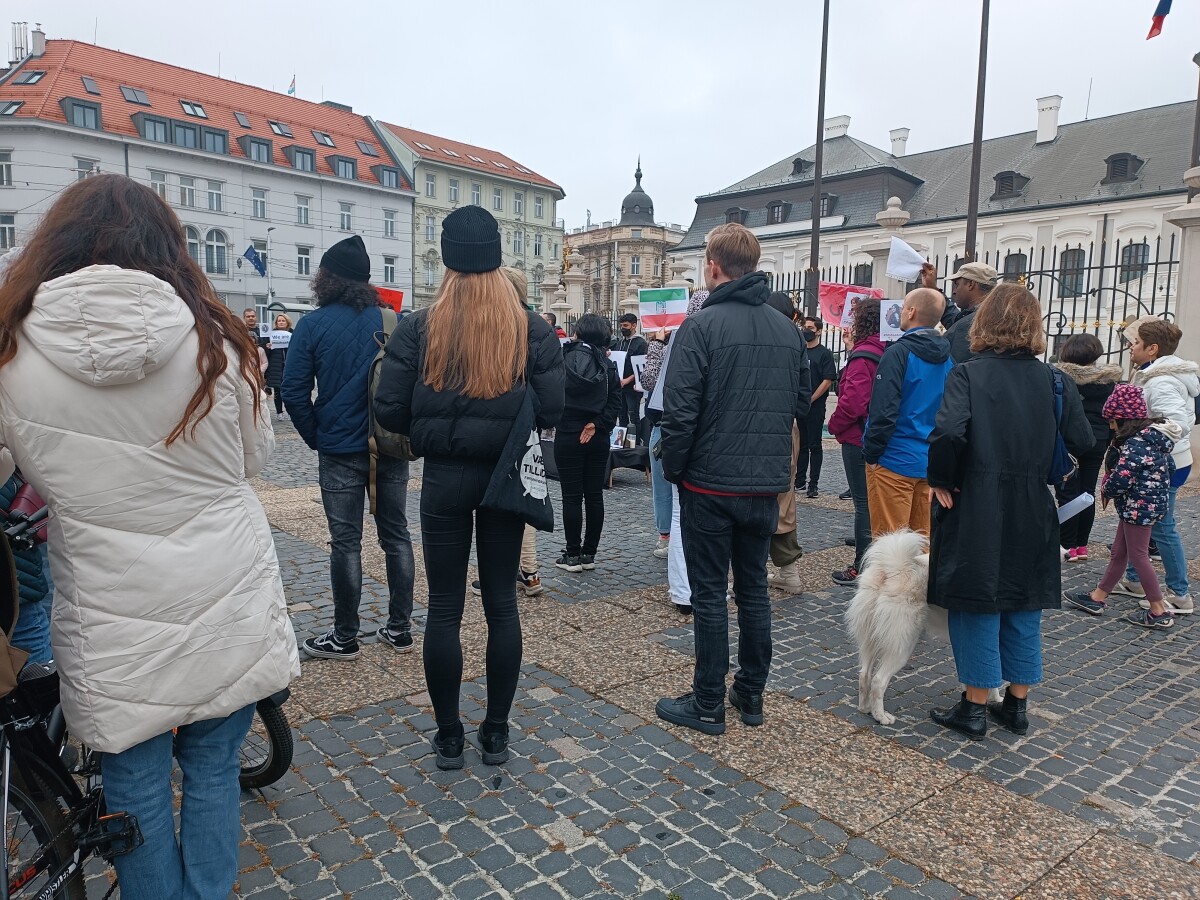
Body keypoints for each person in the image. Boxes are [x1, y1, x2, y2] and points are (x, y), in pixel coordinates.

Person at [0, 174, 298, 898]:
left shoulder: (11, 354)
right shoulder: (218, 344)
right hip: (226, 593)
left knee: (131, 786)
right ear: (167, 246)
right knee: (213, 770)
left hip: (111, 611)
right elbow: (255, 458)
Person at [374, 206, 564, 769]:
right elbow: (552, 407)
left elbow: (389, 409)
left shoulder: (419, 327)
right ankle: (497, 733)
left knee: (444, 610)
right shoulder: (531, 328)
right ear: (498, 255)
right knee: (503, 605)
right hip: (506, 477)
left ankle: (450, 735)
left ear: (448, 260)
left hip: (444, 481)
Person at [656, 223, 809, 734]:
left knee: (709, 593)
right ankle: (751, 693)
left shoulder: (699, 328)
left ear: (713, 267)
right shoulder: (788, 329)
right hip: (763, 483)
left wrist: (675, 469)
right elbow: (796, 406)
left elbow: (679, 414)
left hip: (709, 483)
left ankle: (706, 701)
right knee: (752, 590)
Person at [927, 285, 1091, 739]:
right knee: (1024, 600)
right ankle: (1016, 705)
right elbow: (1082, 438)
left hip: (976, 498)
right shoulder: (1056, 379)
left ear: (984, 322)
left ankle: (975, 706)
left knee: (976, 600)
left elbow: (947, 435)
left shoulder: (967, 374)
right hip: (1033, 501)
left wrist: (941, 479)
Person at [282, 235, 416, 660]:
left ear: (326, 280)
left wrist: (316, 436)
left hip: (339, 450)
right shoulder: (392, 320)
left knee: (346, 542)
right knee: (396, 535)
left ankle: (345, 637)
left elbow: (294, 391)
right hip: (389, 444)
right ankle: (400, 629)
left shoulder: (312, 325)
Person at [1064, 384, 1178, 628]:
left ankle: (1158, 610)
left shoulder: (1136, 444)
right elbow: (1171, 469)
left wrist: (1106, 490)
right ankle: (1098, 597)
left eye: (1112, 421)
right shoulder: (1152, 440)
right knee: (1120, 552)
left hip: (1138, 507)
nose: (1110, 426)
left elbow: (1121, 478)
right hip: (1143, 506)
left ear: (1123, 420)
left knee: (1138, 556)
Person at [1109, 319, 1197, 614]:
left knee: (1160, 526)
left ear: (1152, 348)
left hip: (1164, 462)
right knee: (1137, 520)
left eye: (1135, 343)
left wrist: (1142, 439)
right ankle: (1135, 580)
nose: (1131, 348)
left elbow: (1179, 423)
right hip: (1160, 459)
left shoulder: (1161, 381)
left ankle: (1179, 593)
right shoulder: (1151, 375)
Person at [862, 289, 953, 538]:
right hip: (927, 460)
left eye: (903, 307)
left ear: (911, 312)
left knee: (890, 543)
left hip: (894, 458)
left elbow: (883, 411)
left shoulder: (898, 354)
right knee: (922, 543)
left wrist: (871, 453)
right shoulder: (948, 359)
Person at [641, 290, 709, 614]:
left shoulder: (682, 338)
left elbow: (654, 383)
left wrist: (656, 344)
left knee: (678, 502)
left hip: (674, 429)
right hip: (708, 437)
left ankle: (683, 588)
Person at [555, 314, 622, 572]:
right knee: (594, 495)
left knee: (571, 497)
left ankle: (572, 555)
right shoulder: (608, 365)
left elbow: (553, 395)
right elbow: (616, 400)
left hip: (568, 432)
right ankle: (589, 554)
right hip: (597, 434)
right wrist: (598, 423)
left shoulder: (563, 358)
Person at [828, 297, 886, 585]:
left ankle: (862, 566)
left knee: (864, 505)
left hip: (858, 435)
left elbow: (853, 402)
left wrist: (834, 425)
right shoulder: (884, 349)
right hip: (877, 434)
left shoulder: (864, 355)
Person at [1053, 334, 1121, 561]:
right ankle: (1081, 545)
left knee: (1067, 492)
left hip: (1069, 439)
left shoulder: (1061, 378)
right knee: (1086, 492)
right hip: (1097, 439)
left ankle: (1066, 544)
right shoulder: (1108, 382)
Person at [764, 291, 808, 593]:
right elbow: (803, 397)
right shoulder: (796, 338)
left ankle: (748, 572)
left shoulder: (754, 332)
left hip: (751, 422)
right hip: (785, 423)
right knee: (784, 494)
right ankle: (789, 571)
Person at [641, 326, 673, 559]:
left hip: (664, 425)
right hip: (676, 424)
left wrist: (656, 345)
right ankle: (669, 536)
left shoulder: (664, 348)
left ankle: (666, 536)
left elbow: (649, 379)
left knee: (663, 486)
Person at [796, 315, 836, 497]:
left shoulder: (824, 353)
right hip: (800, 406)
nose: (806, 331)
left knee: (815, 445)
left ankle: (814, 484)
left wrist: (811, 398)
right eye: (804, 327)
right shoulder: (800, 351)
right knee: (801, 445)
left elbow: (828, 380)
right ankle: (799, 481)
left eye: (810, 328)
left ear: (819, 331)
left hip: (816, 407)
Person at [937, 262, 998, 364]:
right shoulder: (995, 315)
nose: (954, 291)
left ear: (970, 284)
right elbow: (955, 321)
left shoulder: (971, 323)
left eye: (957, 285)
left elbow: (956, 370)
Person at [615, 313, 649, 430]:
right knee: (621, 414)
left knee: (633, 415)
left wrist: (627, 380)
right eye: (621, 326)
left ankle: (636, 441)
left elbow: (642, 366)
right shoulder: (620, 343)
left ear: (634, 325)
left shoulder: (641, 343)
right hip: (620, 385)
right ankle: (623, 441)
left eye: (625, 325)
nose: (622, 328)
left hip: (633, 386)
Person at [265, 312, 292, 420]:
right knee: (277, 390)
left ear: (287, 322)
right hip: (276, 366)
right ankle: (279, 412)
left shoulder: (292, 333)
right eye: (279, 321)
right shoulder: (272, 335)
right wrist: (268, 347)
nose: (281, 322)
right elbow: (266, 352)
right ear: (276, 323)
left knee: (289, 390)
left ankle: (290, 411)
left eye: (283, 320)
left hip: (289, 366)